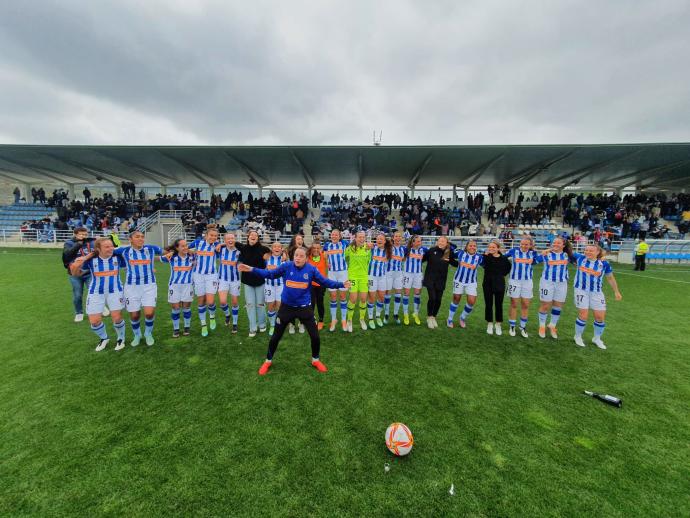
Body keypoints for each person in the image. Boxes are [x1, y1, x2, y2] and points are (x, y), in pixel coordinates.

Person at [238, 247, 350, 375]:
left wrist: (341, 284)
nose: (298, 258)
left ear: (306, 258)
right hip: (286, 308)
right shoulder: (286, 266)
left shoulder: (311, 270)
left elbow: (324, 282)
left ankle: (315, 360)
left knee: (315, 336)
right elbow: (270, 274)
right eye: (296, 255)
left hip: (304, 309)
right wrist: (251, 269)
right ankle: (268, 361)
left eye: (301, 256)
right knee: (275, 337)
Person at [69, 237, 126, 351]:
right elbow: (77, 274)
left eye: (111, 246)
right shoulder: (91, 260)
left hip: (115, 290)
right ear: (98, 249)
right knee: (94, 322)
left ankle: (121, 338)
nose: (111, 248)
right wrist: (78, 264)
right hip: (95, 292)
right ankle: (104, 338)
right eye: (107, 247)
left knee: (117, 317)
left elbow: (128, 267)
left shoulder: (118, 256)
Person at [113, 230, 163, 346]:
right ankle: (137, 334)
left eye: (142, 237)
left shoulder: (150, 249)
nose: (141, 239)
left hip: (149, 286)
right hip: (131, 287)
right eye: (137, 237)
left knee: (149, 313)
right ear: (130, 239)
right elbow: (106, 251)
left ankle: (148, 333)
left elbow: (169, 251)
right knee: (135, 315)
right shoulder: (123, 251)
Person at [572, 244, 623, 349]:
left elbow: (610, 278)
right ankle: (577, 336)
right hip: (581, 290)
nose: (588, 252)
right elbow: (566, 250)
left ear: (597, 252)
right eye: (586, 250)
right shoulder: (580, 258)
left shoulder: (604, 264)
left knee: (600, 317)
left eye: (591, 251)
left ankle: (597, 338)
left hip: (597, 292)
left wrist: (616, 292)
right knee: (583, 315)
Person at [62, 227, 110, 322]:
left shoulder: (91, 242)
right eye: (81, 234)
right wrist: (78, 244)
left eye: (85, 234)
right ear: (75, 234)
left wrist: (99, 242)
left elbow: (98, 252)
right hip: (75, 274)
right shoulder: (69, 243)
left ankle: (101, 308)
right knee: (78, 294)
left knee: (95, 292)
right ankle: (79, 313)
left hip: (89, 272)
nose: (83, 236)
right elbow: (67, 255)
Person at [235, 230, 270, 337]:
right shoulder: (244, 248)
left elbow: (273, 252)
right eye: (251, 235)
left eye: (256, 235)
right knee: (250, 305)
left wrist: (269, 255)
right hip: (247, 281)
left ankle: (262, 324)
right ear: (248, 237)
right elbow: (233, 243)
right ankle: (252, 328)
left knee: (260, 304)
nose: (253, 236)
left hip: (260, 280)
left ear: (258, 238)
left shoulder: (263, 249)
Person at [536, 237, 571, 339]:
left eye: (558, 243)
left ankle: (552, 325)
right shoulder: (547, 254)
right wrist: (542, 253)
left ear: (563, 245)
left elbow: (587, 257)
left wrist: (602, 257)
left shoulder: (567, 255)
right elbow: (534, 261)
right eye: (554, 242)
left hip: (562, 283)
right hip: (547, 282)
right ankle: (542, 326)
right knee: (545, 305)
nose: (555, 244)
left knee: (558, 305)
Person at [189, 225, 220, 337]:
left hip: (211, 275)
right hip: (198, 275)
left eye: (215, 236)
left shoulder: (217, 245)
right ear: (206, 235)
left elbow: (227, 245)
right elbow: (184, 248)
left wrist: (221, 244)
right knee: (201, 301)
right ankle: (203, 325)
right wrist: (191, 258)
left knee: (210, 301)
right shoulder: (198, 243)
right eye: (211, 235)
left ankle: (212, 317)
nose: (213, 237)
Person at [505, 237, 539, 338]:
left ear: (530, 245)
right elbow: (502, 257)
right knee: (514, 303)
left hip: (527, 282)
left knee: (525, 304)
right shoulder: (513, 251)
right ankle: (512, 326)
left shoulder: (533, 254)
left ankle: (522, 327)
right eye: (522, 244)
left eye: (526, 244)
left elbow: (538, 260)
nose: (524, 246)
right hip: (514, 281)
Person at [161, 239, 194, 337]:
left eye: (186, 245)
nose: (185, 247)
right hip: (174, 286)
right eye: (182, 246)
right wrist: (168, 253)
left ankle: (187, 327)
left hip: (188, 285)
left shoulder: (192, 256)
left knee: (186, 307)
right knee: (175, 308)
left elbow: (201, 251)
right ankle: (176, 329)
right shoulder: (172, 257)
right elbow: (158, 258)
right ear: (177, 248)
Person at [422, 235, 457, 328]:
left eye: (443, 241)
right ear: (437, 242)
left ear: (447, 243)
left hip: (441, 280)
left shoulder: (448, 252)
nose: (441, 243)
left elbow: (454, 263)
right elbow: (421, 259)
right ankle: (429, 317)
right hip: (430, 279)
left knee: (438, 300)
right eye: (439, 241)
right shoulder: (431, 250)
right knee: (432, 298)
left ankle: (434, 317)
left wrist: (463, 263)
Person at [447, 240, 483, 329]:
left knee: (471, 301)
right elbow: (451, 251)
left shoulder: (480, 257)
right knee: (456, 298)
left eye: (474, 246)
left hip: (471, 282)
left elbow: (488, 263)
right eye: (470, 245)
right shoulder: (460, 253)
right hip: (459, 280)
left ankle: (462, 318)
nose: (472, 247)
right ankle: (450, 319)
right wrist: (449, 243)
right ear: (466, 246)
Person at [481, 240, 512, 335]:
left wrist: (500, 275)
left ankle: (498, 324)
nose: (491, 249)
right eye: (490, 247)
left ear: (498, 248)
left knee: (499, 305)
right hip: (487, 284)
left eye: (493, 247)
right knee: (488, 304)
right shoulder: (486, 257)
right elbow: (482, 264)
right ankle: (489, 323)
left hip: (499, 284)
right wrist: (485, 255)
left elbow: (507, 268)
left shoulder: (504, 259)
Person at [344, 231, 371, 332]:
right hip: (353, 277)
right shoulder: (349, 249)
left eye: (363, 237)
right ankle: (349, 320)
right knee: (353, 299)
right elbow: (346, 259)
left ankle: (362, 319)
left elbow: (369, 261)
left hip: (364, 277)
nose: (361, 239)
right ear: (355, 238)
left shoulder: (368, 248)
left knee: (363, 299)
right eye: (359, 237)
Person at [323, 229, 349, 332]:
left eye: (336, 235)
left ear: (339, 236)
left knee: (342, 296)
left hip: (343, 272)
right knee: (333, 296)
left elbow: (354, 246)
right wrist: (326, 261)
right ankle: (334, 319)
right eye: (332, 234)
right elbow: (325, 255)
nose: (334, 236)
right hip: (332, 273)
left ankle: (343, 320)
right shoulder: (327, 245)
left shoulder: (344, 243)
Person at [217, 232, 241, 334]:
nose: (230, 240)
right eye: (228, 239)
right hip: (222, 279)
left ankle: (234, 324)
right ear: (225, 240)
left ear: (235, 239)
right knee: (222, 301)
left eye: (232, 238)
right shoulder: (221, 249)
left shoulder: (240, 251)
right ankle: (227, 315)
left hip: (235, 280)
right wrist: (220, 244)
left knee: (235, 302)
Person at [367, 233, 391, 329]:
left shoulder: (388, 251)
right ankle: (370, 318)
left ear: (385, 241)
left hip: (382, 277)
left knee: (381, 298)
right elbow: (363, 245)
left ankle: (377, 316)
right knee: (372, 298)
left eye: (381, 239)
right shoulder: (371, 249)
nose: (379, 240)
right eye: (378, 239)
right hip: (371, 277)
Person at [401, 235, 427, 325]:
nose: (420, 243)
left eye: (420, 241)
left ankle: (416, 314)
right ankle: (406, 314)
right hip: (407, 274)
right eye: (418, 241)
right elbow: (400, 257)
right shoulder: (406, 249)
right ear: (413, 242)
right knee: (407, 294)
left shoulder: (423, 249)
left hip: (418, 274)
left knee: (417, 294)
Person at [264, 242, 285, 335]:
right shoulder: (266, 258)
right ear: (271, 249)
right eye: (275, 247)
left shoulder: (284, 260)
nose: (277, 248)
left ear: (281, 249)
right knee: (271, 306)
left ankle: (278, 324)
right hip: (269, 285)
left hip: (280, 285)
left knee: (279, 307)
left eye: (279, 247)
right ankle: (272, 325)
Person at [307, 239, 328, 330]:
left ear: (320, 249)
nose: (315, 250)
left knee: (320, 302)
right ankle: (311, 320)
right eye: (314, 248)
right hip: (311, 284)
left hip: (321, 284)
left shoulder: (324, 256)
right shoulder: (308, 258)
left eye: (317, 248)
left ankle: (321, 320)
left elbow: (329, 265)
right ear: (311, 248)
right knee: (311, 303)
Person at [385, 231, 405, 324]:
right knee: (388, 293)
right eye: (396, 236)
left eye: (399, 236)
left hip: (399, 273)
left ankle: (396, 314)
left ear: (401, 238)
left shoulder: (403, 249)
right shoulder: (389, 247)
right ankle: (386, 314)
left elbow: (404, 259)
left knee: (398, 293)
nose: (397, 238)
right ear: (393, 238)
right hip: (389, 273)